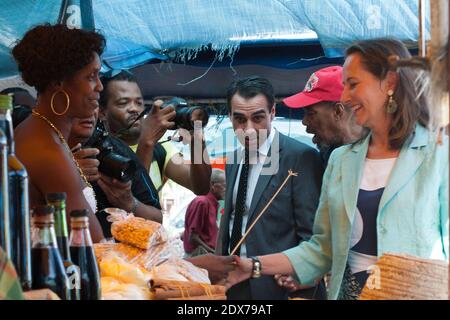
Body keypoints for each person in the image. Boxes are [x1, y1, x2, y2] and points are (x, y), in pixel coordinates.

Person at [226, 39, 449, 300]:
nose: (344, 97)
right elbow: (323, 248)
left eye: (353, 84)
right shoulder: (341, 161)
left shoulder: (438, 155)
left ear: (389, 83)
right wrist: (254, 265)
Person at [216, 76, 325, 300]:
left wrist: (300, 276)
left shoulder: (300, 157)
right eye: (239, 119)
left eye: (257, 118)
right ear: (229, 116)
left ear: (272, 112)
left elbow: (313, 235)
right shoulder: (234, 159)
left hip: (280, 288)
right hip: (232, 285)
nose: (248, 129)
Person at [276, 66, 367, 293]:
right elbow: (326, 240)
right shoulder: (329, 159)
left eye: (311, 113)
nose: (305, 124)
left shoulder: (384, 155)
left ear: (338, 111)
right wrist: (311, 271)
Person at [12, 24, 105, 242]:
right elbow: (94, 248)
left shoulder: (41, 132)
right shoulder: (46, 149)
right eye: (91, 76)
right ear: (58, 82)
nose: (100, 86)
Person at [97, 71, 211, 195]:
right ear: (102, 112)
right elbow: (133, 200)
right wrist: (147, 141)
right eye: (123, 103)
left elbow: (201, 188)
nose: (134, 109)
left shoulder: (160, 148)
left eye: (139, 103)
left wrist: (197, 141)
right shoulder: (100, 153)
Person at [68, 109, 162, 238]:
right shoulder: (38, 148)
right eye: (123, 103)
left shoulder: (117, 150)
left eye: (94, 100)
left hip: (118, 255)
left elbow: (157, 221)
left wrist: (129, 203)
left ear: (101, 112)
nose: (88, 109)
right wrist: (67, 175)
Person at [283, 66, 366, 166]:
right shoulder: (325, 158)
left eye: (311, 114)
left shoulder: (379, 154)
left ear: (338, 111)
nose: (304, 121)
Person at [183, 169, 226, 257]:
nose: (226, 190)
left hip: (205, 255)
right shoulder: (202, 202)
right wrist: (214, 253)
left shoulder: (212, 203)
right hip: (198, 256)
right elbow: (193, 238)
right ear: (213, 185)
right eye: (224, 186)